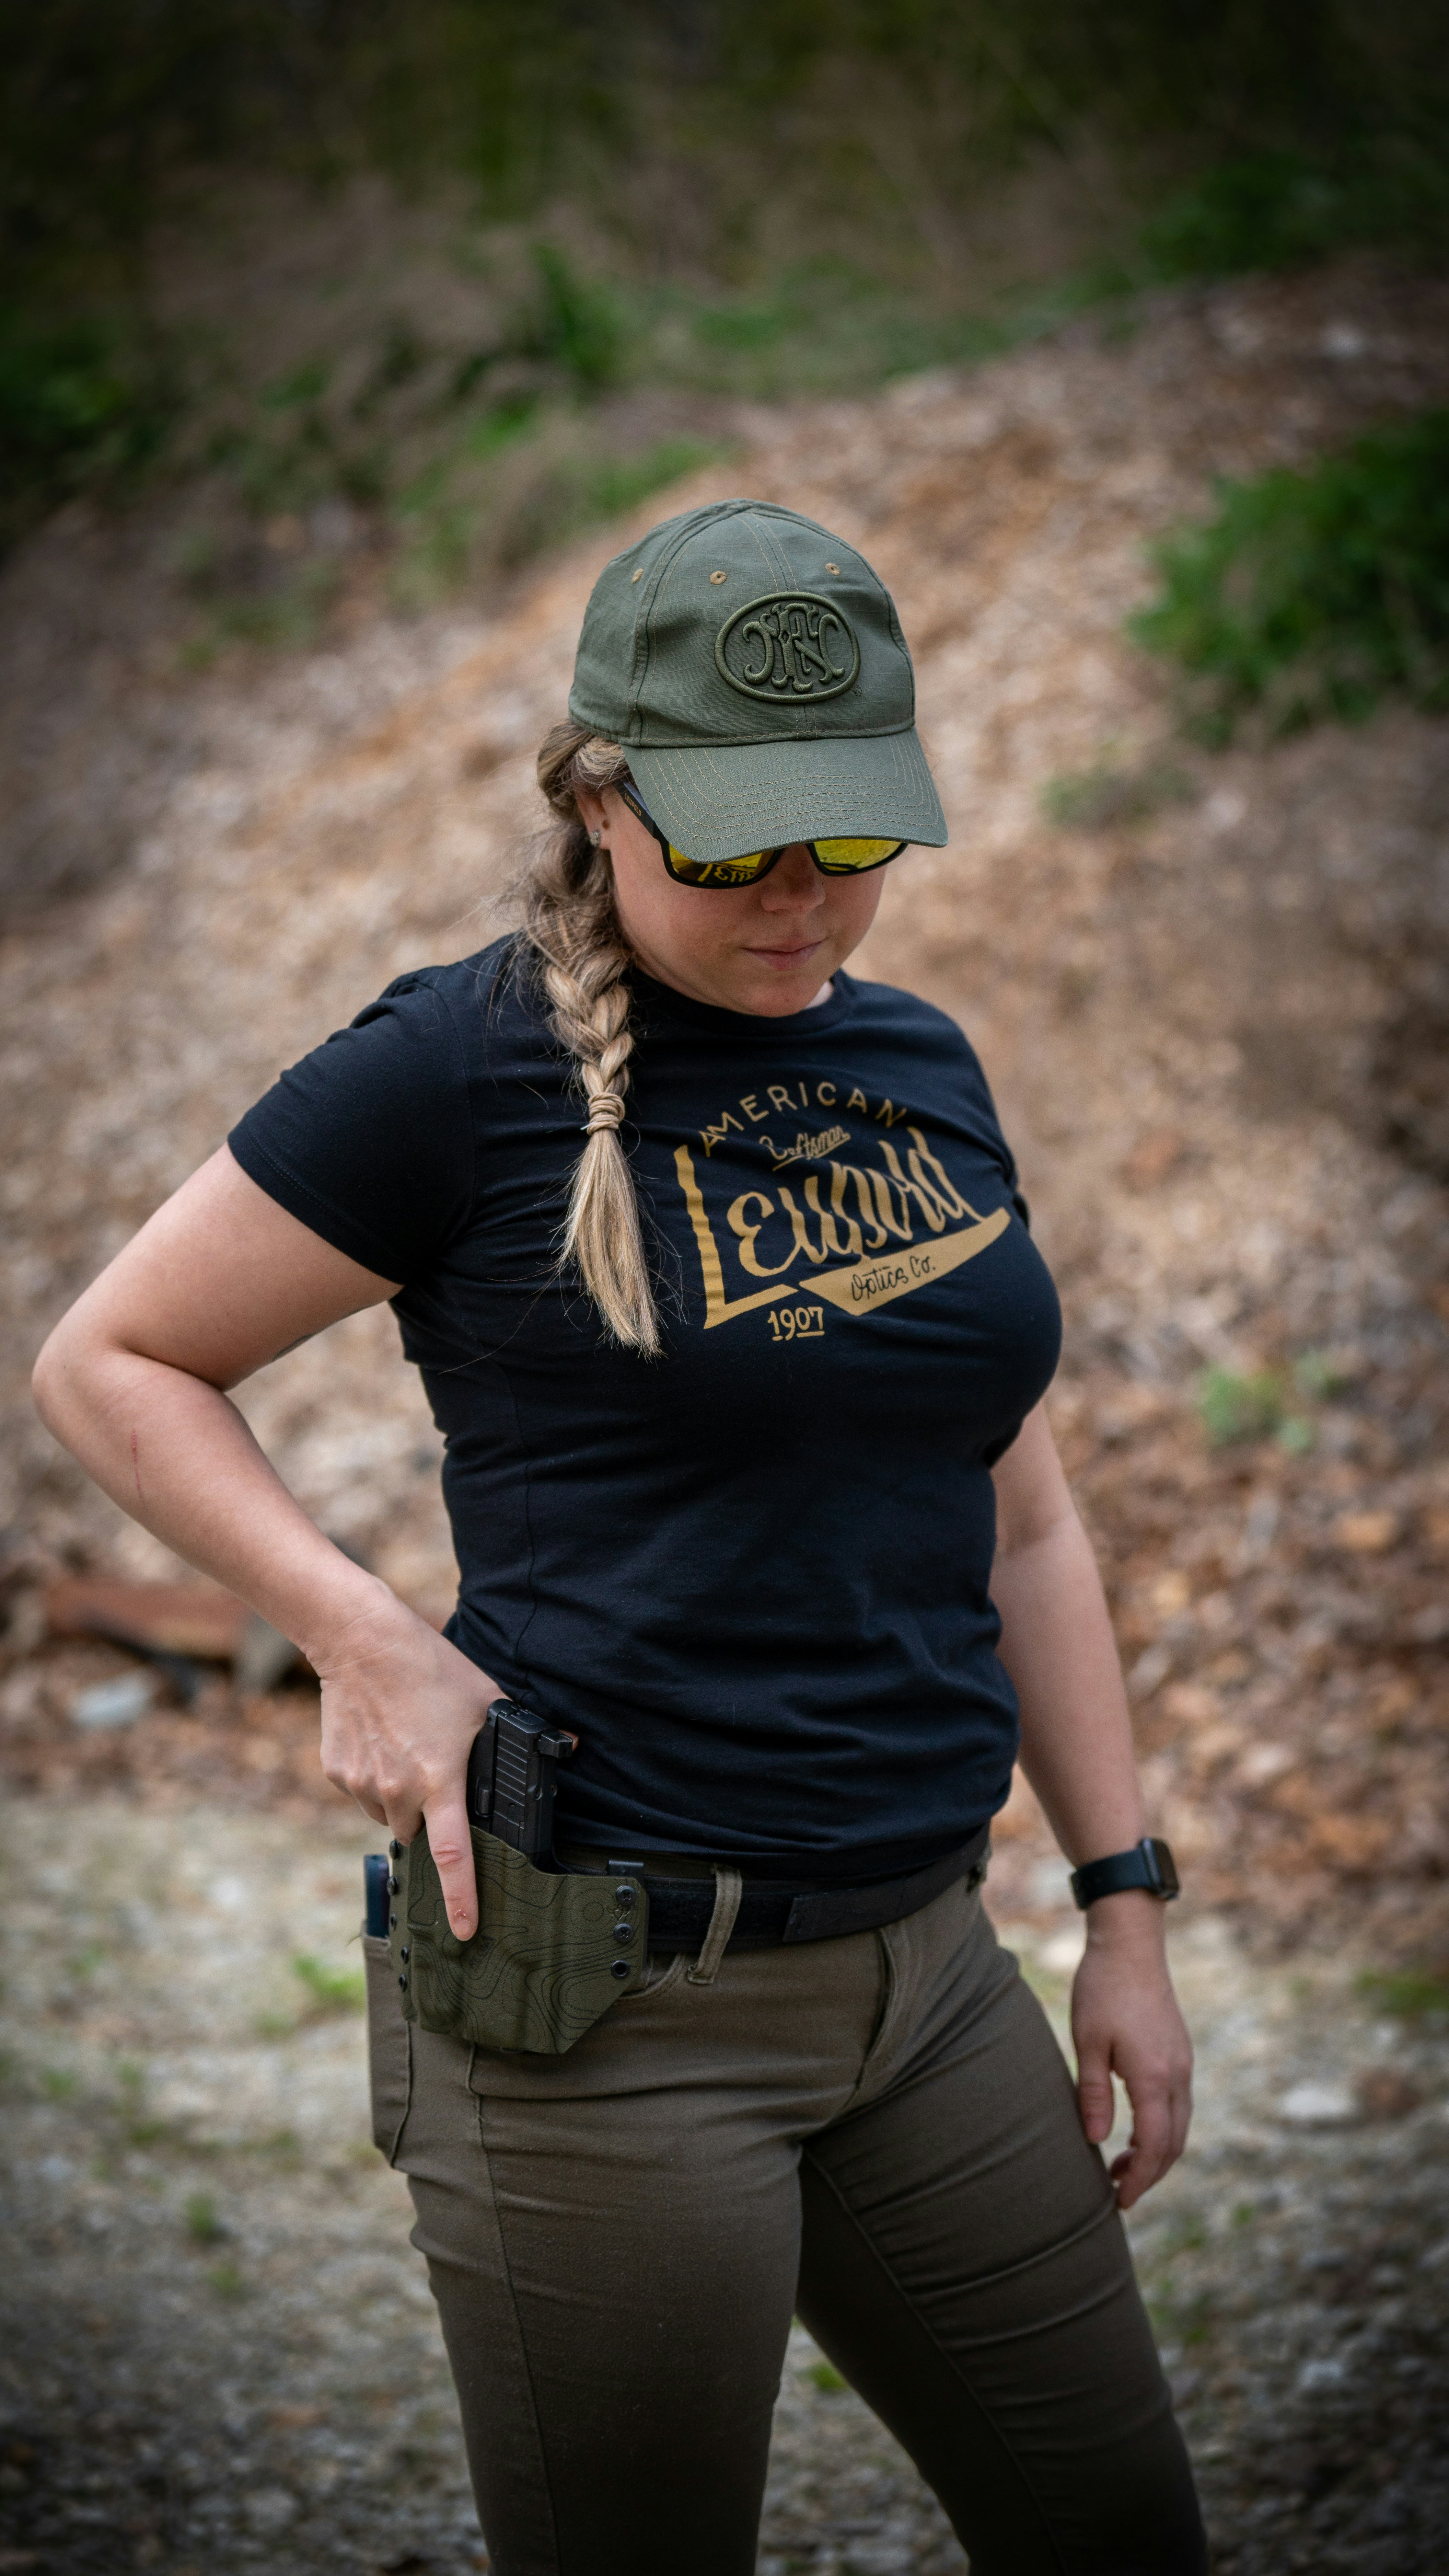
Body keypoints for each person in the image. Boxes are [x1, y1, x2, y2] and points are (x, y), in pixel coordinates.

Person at [33, 499, 1206, 2576]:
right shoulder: (449, 1070)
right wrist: (357, 1629)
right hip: (607, 2019)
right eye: (735, 845)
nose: (801, 898)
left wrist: (1120, 1904)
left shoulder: (920, 1065)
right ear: (599, 798)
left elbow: (1017, 1510)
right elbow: (112, 1360)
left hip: (931, 1981)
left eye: (849, 838)